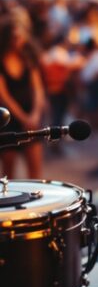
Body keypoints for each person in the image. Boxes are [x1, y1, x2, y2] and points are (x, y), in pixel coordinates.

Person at [0, 18, 47, 178]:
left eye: (20, 37)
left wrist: (34, 115)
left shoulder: (28, 58)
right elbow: (4, 95)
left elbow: (38, 89)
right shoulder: (1, 62)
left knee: (35, 174)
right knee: (8, 174)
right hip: (8, 120)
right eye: (14, 37)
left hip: (31, 117)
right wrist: (23, 118)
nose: (18, 41)